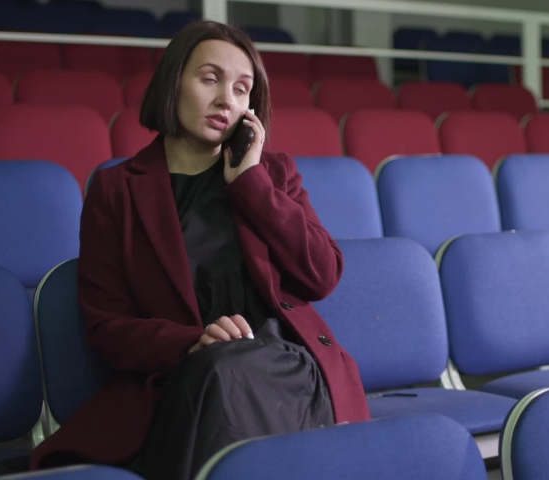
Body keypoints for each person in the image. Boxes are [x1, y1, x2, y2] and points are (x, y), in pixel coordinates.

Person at [27, 20, 370, 479]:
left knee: (232, 376)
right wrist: (193, 341)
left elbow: (322, 274)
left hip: (286, 368)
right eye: (210, 79)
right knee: (221, 374)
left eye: (242, 88)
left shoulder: (272, 173)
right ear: (174, 83)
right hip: (183, 382)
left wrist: (253, 187)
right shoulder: (117, 190)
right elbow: (107, 328)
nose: (227, 98)